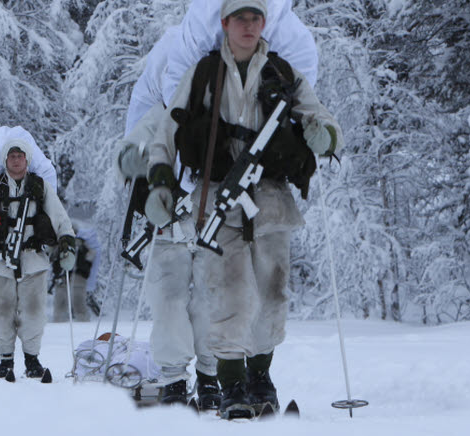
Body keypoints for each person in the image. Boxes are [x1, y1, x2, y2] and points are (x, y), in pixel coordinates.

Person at [144, 0, 341, 419]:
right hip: (218, 196)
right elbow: (168, 128)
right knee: (228, 291)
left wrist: (324, 134)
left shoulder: (283, 73)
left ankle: (260, 377)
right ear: (225, 23)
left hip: (271, 199)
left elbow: (319, 115)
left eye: (255, 19)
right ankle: (231, 384)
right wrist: (161, 179)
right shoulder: (204, 74)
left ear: (264, 23)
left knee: (272, 292)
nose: (248, 26)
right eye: (240, 19)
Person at [0, 138, 76, 381]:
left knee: (34, 313)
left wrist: (67, 241)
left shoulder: (39, 186)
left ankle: (32, 360)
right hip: (0, 261)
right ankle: (5, 361)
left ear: (27, 159)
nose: (16, 160)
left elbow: (59, 216)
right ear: (5, 160)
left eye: (20, 156)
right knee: (2, 313)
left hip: (33, 259)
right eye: (12, 156)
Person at [50, 223, 99, 323]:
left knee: (78, 302)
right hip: (63, 277)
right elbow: (52, 257)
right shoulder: (60, 245)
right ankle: (58, 323)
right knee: (61, 302)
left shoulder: (82, 245)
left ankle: (83, 323)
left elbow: (91, 257)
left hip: (78, 277)